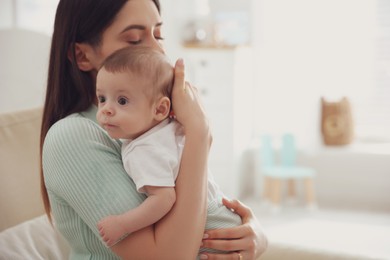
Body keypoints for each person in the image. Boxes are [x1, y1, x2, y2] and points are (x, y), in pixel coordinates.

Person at [40, 0, 268, 259]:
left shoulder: (151, 126)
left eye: (158, 34)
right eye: (134, 40)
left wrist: (257, 235)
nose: (158, 50)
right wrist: (199, 132)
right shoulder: (73, 137)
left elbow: (204, 203)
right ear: (82, 55)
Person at [95, 46, 242, 253]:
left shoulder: (143, 150)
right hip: (226, 218)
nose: (106, 109)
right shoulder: (174, 127)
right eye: (102, 98)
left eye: (122, 101)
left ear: (160, 109)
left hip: (212, 227)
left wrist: (123, 224)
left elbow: (164, 199)